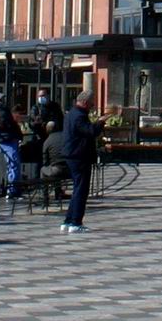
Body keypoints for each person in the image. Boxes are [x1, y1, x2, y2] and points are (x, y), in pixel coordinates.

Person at [61, 99, 101, 234]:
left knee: (77, 188)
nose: (92, 107)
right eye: (91, 104)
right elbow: (90, 131)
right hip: (79, 156)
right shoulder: (79, 116)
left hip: (72, 155)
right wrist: (100, 122)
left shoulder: (71, 113)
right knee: (81, 190)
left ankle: (68, 220)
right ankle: (76, 222)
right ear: (84, 102)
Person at [0, 94, 24, 202]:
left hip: (8, 138)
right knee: (14, 164)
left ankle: (14, 189)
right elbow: (8, 125)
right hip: (8, 139)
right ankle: (13, 190)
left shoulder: (3, 111)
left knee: (12, 165)